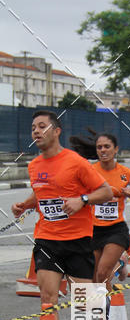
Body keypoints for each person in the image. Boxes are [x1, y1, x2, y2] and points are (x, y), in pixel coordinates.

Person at [11, 111, 112, 307]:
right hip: (46, 241)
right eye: (33, 129)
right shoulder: (34, 166)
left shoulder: (76, 162)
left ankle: (102, 312)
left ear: (56, 131)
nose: (36, 132)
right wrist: (24, 205)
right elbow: (42, 193)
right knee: (48, 301)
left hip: (77, 241)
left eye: (42, 127)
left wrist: (82, 200)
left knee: (84, 305)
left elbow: (106, 192)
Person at [70, 130, 130, 292]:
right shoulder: (90, 171)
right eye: (99, 147)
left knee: (102, 274)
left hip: (115, 230)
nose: (103, 150)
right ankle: (118, 269)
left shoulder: (126, 173)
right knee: (93, 278)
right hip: (92, 230)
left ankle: (112, 312)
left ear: (116, 149)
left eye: (107, 146)